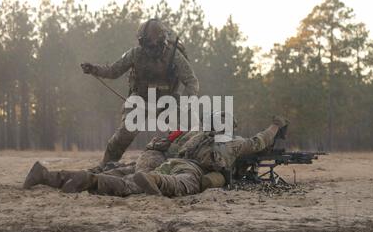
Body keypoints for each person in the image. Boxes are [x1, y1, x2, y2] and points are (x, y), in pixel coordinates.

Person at [23, 115, 289, 197]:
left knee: (129, 174)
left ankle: (51, 176)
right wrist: (275, 126)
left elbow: (167, 149)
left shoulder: (192, 135)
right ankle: (151, 181)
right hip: (189, 170)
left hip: (170, 161)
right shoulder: (236, 143)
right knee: (181, 185)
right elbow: (260, 141)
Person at [81, 19, 199, 171]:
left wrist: (183, 104)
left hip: (167, 101)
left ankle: (185, 165)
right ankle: (104, 165)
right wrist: (94, 69)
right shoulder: (135, 54)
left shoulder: (174, 55)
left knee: (185, 133)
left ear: (163, 42)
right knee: (125, 133)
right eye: (147, 46)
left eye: (154, 46)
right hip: (140, 100)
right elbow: (113, 71)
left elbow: (192, 82)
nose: (151, 50)